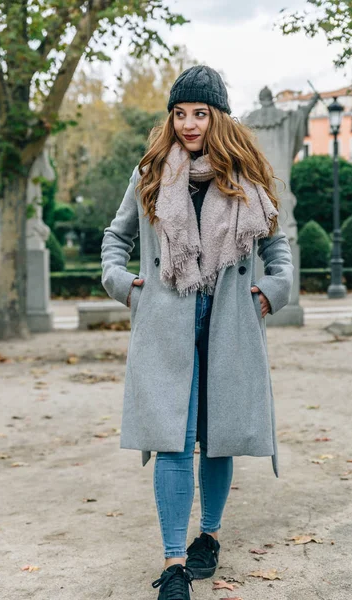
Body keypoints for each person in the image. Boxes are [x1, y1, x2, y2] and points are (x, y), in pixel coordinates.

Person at [101, 65, 294, 600]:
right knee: (173, 440)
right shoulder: (149, 174)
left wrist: (268, 294)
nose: (189, 124)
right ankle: (173, 564)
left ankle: (208, 535)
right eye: (180, 113)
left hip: (230, 317)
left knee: (218, 437)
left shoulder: (249, 178)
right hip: (167, 316)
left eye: (200, 114)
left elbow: (278, 251)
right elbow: (113, 240)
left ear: (218, 118)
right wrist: (125, 286)